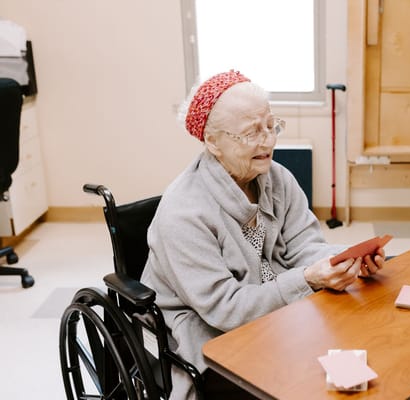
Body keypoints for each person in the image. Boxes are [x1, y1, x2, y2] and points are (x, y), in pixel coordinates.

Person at [140, 70, 386, 400]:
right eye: (251, 133)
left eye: (271, 126)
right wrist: (309, 279)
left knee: (363, 340)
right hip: (204, 324)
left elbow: (305, 245)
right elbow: (225, 309)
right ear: (213, 142)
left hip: (270, 304)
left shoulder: (277, 179)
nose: (269, 141)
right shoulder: (183, 214)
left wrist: (347, 258)